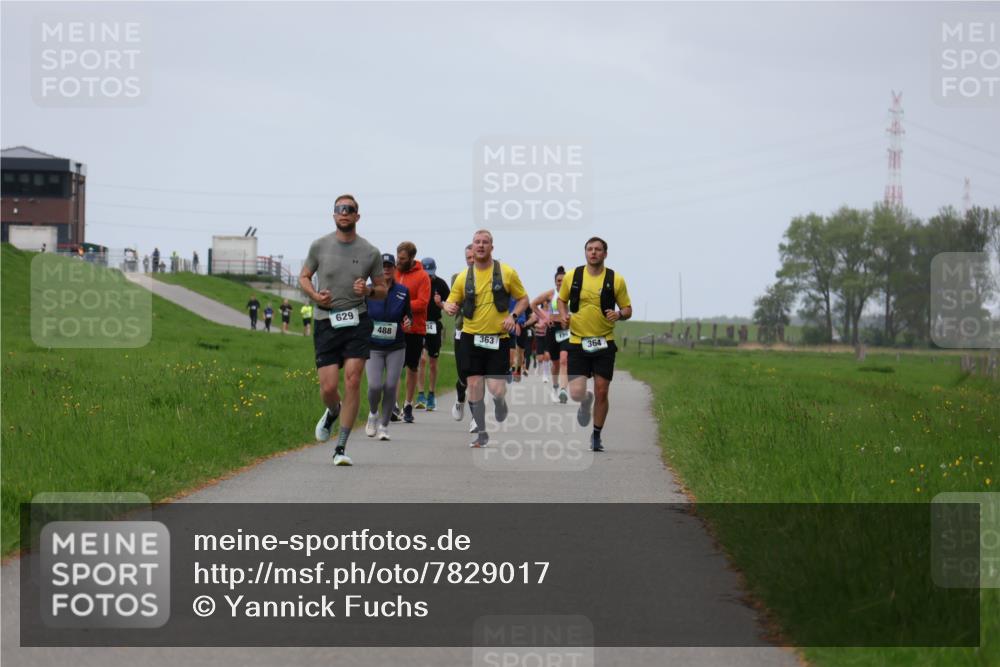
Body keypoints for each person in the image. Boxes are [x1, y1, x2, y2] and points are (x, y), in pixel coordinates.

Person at [299, 194, 386, 466]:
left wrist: (368, 290)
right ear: (334, 215)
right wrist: (315, 296)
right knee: (328, 387)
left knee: (353, 380)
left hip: (357, 320)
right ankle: (333, 411)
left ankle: (340, 447)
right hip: (326, 320)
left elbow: (382, 289)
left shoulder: (370, 251)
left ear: (357, 216)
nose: (344, 212)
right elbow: (304, 277)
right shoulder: (319, 246)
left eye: (349, 209)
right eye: (339, 209)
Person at [443, 230, 528, 448]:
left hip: (498, 339)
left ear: (492, 247)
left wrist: (513, 316)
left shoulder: (507, 272)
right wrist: (448, 307)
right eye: (477, 242)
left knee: (496, 389)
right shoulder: (463, 277)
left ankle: (500, 403)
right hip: (471, 337)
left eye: (485, 242)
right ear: (472, 247)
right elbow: (451, 302)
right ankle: (481, 432)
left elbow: (523, 299)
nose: (480, 245)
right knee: (474, 385)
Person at [557, 238, 632, 453]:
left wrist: (619, 314)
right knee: (576, 392)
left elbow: (628, 309)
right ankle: (584, 401)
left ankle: (596, 435)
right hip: (577, 341)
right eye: (590, 249)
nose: (593, 253)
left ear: (605, 254)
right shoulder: (573, 276)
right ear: (585, 253)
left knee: (602, 390)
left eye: (598, 250)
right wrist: (563, 315)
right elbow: (562, 300)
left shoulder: (615, 279)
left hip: (604, 342)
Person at [364, 253, 411, 441]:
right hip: (373, 346)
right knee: (374, 386)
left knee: (391, 386)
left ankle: (384, 426)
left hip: (396, 346)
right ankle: (373, 414)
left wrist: (408, 321)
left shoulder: (403, 291)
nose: (386, 269)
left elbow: (407, 315)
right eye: (383, 266)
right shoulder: (369, 290)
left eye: (389, 266)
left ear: (394, 269)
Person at [393, 241, 431, 424]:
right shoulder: (394, 273)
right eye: (397, 257)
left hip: (415, 329)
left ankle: (408, 404)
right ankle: (393, 404)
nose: (398, 261)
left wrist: (400, 304)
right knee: (394, 367)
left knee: (412, 367)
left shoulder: (423, 276)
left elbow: (423, 302)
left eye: (402, 259)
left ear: (411, 258)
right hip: (395, 328)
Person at [416, 257, 450, 411]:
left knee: (432, 362)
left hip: (434, 325)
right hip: (419, 324)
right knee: (421, 360)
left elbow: (450, 306)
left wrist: (440, 303)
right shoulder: (417, 282)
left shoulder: (441, 284)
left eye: (431, 273)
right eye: (426, 273)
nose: (429, 277)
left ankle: (431, 394)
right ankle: (420, 395)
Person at [531, 266, 571, 403]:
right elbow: (533, 304)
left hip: (566, 330)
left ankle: (563, 390)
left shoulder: (572, 294)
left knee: (564, 359)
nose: (561, 283)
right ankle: (555, 388)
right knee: (556, 363)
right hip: (553, 330)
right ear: (555, 282)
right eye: (559, 281)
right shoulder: (551, 294)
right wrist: (545, 317)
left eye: (563, 280)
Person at [450, 244, 474, 423]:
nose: (472, 260)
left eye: (474, 257)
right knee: (464, 376)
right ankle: (460, 396)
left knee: (477, 377)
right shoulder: (458, 278)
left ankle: (476, 418)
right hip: (462, 329)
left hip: (483, 331)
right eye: (468, 258)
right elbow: (455, 302)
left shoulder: (493, 278)